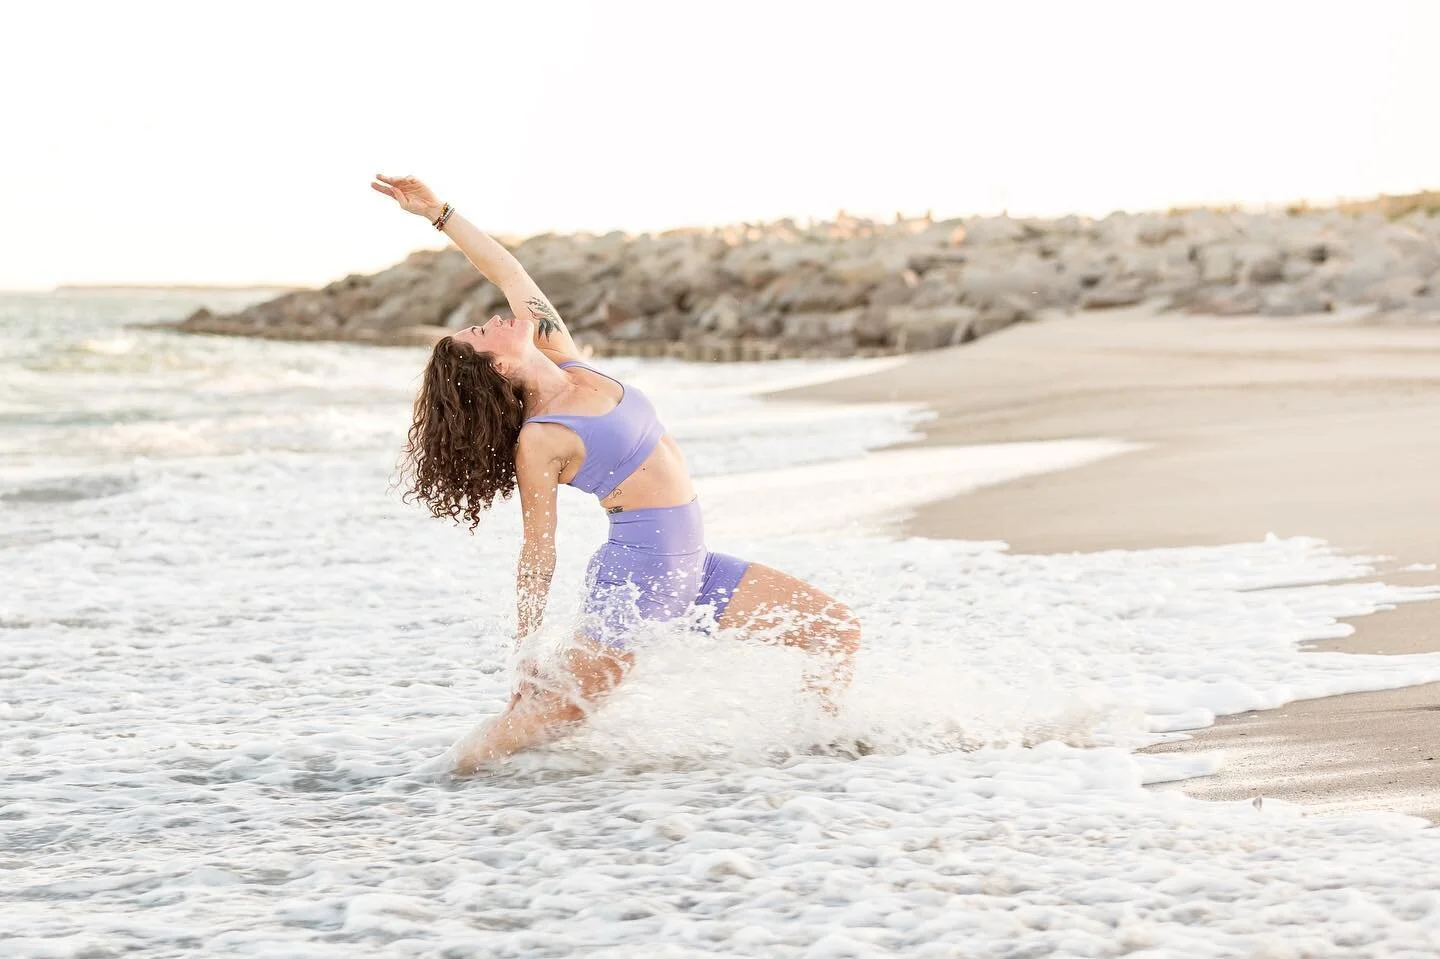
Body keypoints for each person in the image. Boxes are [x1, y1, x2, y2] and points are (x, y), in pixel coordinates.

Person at [371, 174, 861, 773]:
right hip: (641, 578)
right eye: (480, 332)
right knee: (556, 713)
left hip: (696, 563)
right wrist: (524, 650)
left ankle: (824, 752)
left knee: (834, 630)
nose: (492, 319)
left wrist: (438, 213)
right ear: (496, 367)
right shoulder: (541, 438)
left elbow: (507, 272)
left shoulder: (564, 357)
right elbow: (538, 552)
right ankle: (435, 781)